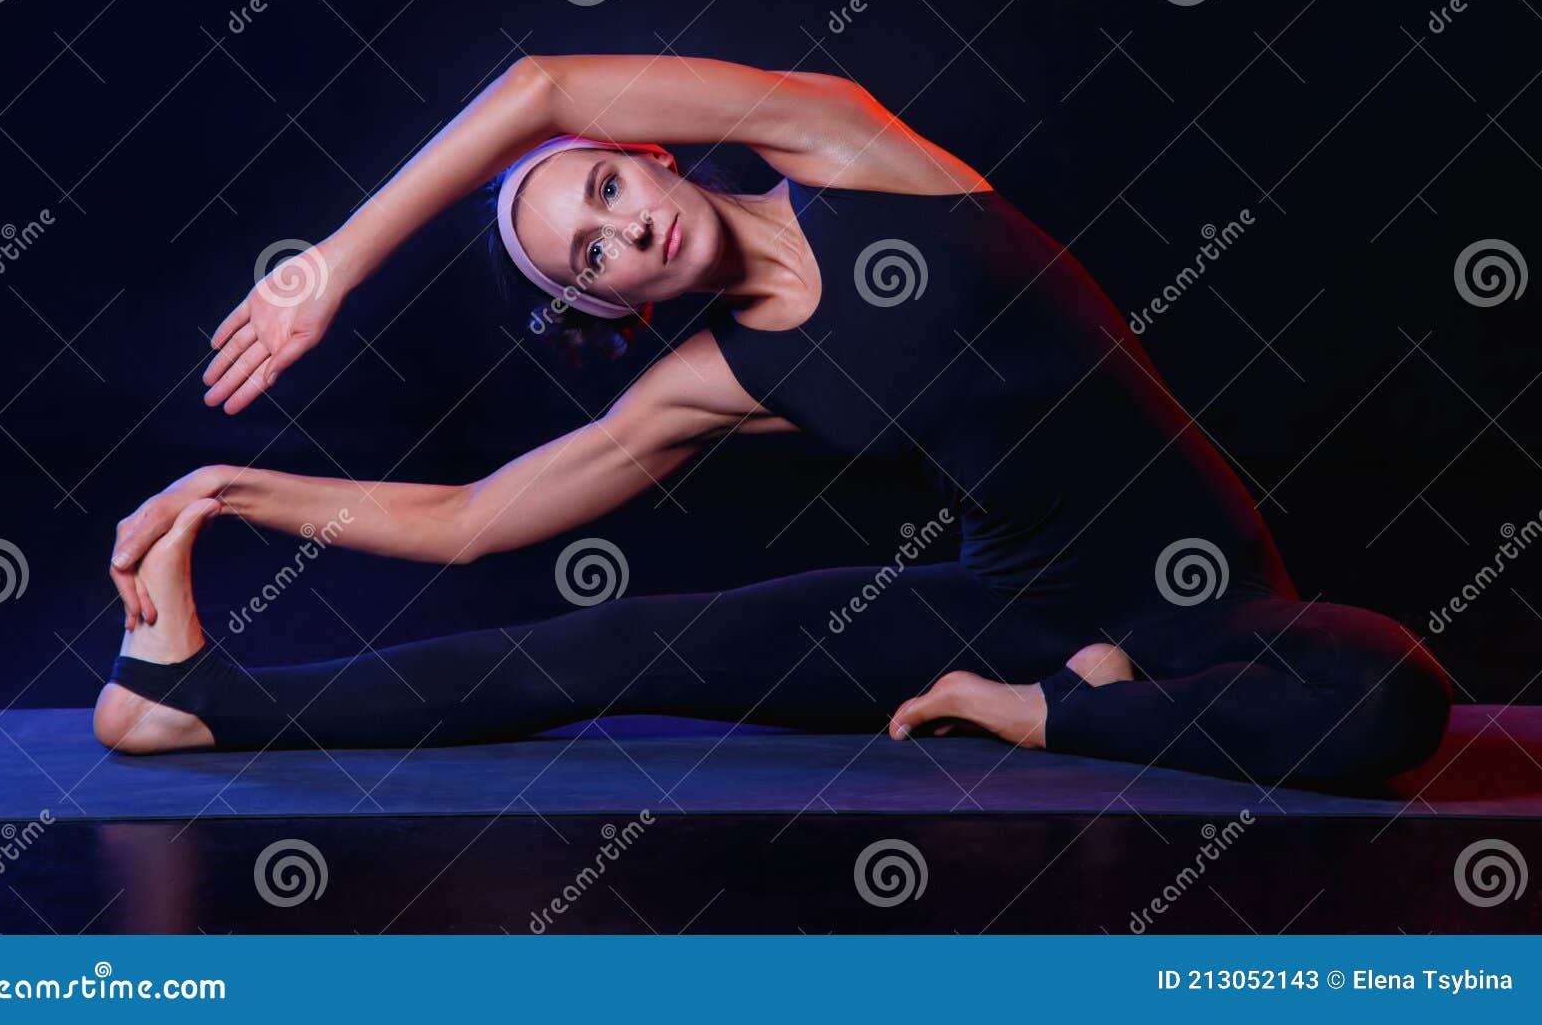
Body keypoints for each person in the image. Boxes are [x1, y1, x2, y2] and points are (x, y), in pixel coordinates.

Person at [96, 55, 1452, 788]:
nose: (626, 229)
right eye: (590, 259)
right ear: (608, 304)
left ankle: (1062, 718)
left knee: (1397, 698)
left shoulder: (852, 148)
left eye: (610, 192)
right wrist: (229, 487)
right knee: (620, 646)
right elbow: (474, 521)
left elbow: (541, 87)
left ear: (653, 150)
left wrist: (332, 260)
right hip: (1003, 612)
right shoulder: (712, 383)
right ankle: (198, 704)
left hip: (1204, 593)